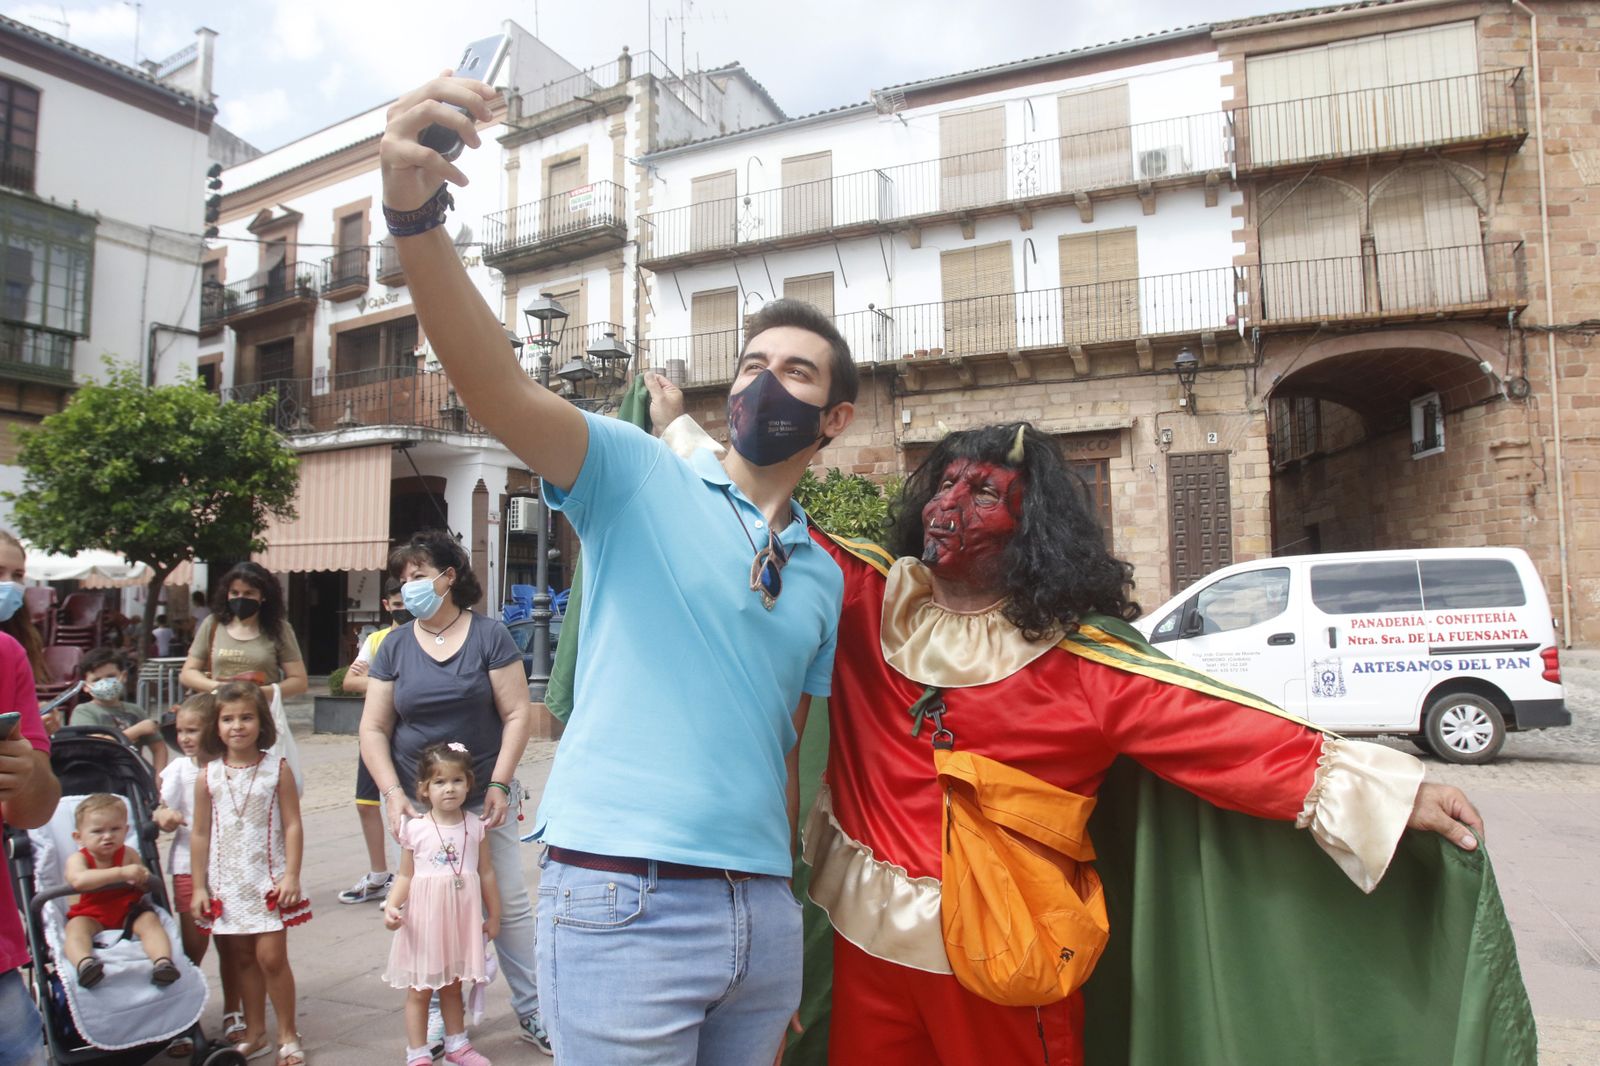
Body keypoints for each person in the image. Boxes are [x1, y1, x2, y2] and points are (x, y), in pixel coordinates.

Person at [381, 73, 857, 1061]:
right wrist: (415, 220)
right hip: (621, 898)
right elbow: (497, 387)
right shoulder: (637, 474)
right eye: (753, 363)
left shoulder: (823, 575)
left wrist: (780, 927)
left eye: (796, 372)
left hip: (759, 919)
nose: (764, 382)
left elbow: (785, 756)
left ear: (835, 419)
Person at [357, 531, 542, 1052]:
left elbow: (517, 713)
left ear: (449, 576)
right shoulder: (394, 645)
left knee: (505, 902)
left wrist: (500, 781)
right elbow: (373, 726)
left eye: (418, 575)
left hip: (483, 796)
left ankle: (533, 1008)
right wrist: (392, 793)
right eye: (403, 578)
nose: (408, 586)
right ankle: (441, 1011)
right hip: (421, 804)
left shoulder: (489, 636)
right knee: (428, 906)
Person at [190, 681, 308, 1066]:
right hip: (228, 883)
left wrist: (292, 875)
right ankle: (255, 1033)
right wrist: (199, 886)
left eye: (246, 717)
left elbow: (293, 824)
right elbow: (200, 833)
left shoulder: (277, 769)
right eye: (228, 719)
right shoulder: (208, 775)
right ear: (216, 726)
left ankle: (287, 1033)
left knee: (271, 958)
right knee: (241, 958)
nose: (237, 726)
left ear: (261, 722)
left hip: (268, 880)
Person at [382, 742, 498, 1066]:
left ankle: (456, 1045)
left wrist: (495, 914)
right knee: (419, 989)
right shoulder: (415, 829)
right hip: (425, 922)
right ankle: (417, 1051)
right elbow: (405, 875)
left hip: (460, 920)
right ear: (424, 788)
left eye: (457, 780)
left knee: (453, 985)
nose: (449, 788)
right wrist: (392, 906)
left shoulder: (475, 826)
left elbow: (487, 872)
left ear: (468, 783)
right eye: (440, 782)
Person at [0, 529, 62, 1066]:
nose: (8, 587)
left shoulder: (8, 655)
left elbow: (35, 809)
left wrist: (26, 771)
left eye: (16, 576)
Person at [338, 579, 409, 905]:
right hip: (375, 733)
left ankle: (407, 879)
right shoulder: (376, 639)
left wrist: (376, 680)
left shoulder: (421, 636)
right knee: (365, 802)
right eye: (397, 604)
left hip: (405, 733)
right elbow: (350, 681)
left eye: (406, 602)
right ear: (386, 606)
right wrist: (389, 683)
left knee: (406, 807)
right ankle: (380, 874)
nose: (402, 609)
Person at [62, 792, 180, 988]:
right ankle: (85, 964)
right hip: (90, 914)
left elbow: (144, 884)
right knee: (75, 929)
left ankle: (162, 962)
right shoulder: (78, 859)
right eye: (97, 831)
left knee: (150, 921)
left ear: (126, 831)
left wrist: (142, 879)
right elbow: (78, 880)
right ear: (78, 837)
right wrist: (120, 873)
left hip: (127, 911)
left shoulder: (129, 854)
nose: (108, 836)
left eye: (115, 829)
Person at [154, 693, 211, 968]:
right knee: (194, 942)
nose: (184, 738)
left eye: (192, 731)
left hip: (227, 864)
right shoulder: (179, 768)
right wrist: (165, 816)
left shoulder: (229, 766)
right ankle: (192, 984)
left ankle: (234, 995)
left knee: (233, 945)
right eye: (180, 731)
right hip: (187, 863)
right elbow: (162, 808)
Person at [71, 647, 166, 773]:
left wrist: (159, 778)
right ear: (85, 686)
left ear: (123, 676)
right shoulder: (83, 712)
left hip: (133, 775)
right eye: (96, 680)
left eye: (110, 676)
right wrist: (137, 730)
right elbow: (98, 745)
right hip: (100, 776)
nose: (104, 683)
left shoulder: (135, 710)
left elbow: (159, 747)